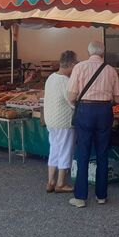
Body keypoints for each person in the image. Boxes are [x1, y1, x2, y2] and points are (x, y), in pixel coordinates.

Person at [67, 41, 119, 208]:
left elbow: (71, 95)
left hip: (85, 110)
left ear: (88, 52)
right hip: (105, 112)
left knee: (82, 153)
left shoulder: (79, 67)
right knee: (102, 153)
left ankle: (80, 197)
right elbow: (118, 98)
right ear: (103, 53)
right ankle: (101, 195)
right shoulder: (111, 70)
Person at [43, 50, 78, 194]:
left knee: (54, 150)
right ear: (70, 64)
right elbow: (72, 101)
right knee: (65, 151)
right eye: (75, 63)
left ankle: (50, 181)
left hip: (51, 120)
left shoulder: (51, 77)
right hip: (64, 121)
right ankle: (61, 183)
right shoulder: (66, 81)